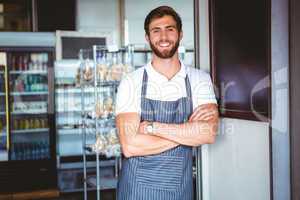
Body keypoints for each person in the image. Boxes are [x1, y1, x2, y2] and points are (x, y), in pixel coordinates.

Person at [115, 5, 219, 200]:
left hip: (181, 189)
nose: (163, 37)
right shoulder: (131, 82)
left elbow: (208, 133)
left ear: (180, 34)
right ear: (147, 37)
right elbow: (130, 147)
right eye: (156, 30)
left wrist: (152, 127)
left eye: (170, 29)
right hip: (137, 190)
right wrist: (188, 131)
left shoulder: (199, 79)